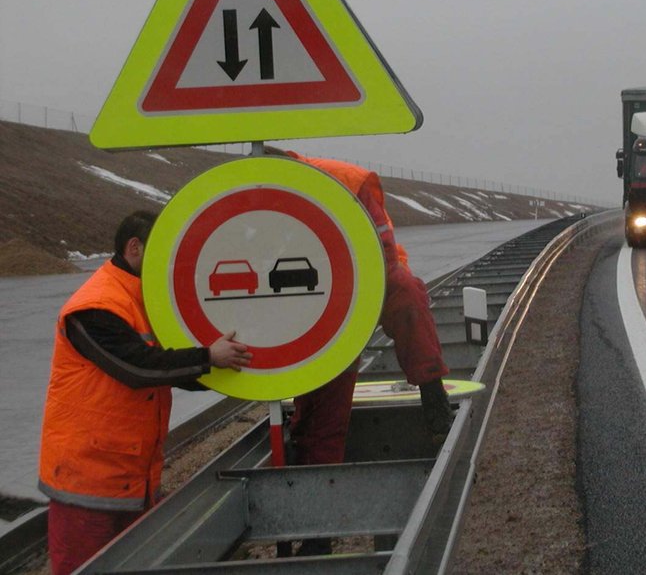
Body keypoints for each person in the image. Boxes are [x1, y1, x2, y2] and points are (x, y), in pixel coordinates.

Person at [38, 210, 253, 575]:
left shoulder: (140, 298)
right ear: (135, 247)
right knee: (82, 567)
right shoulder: (95, 306)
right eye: (163, 250)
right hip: (88, 480)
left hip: (130, 475)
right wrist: (208, 357)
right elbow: (137, 368)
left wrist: (234, 374)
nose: (169, 262)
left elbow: (164, 366)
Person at [268, 150, 454, 466]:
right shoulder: (256, 200)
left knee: (408, 296)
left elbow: (384, 255)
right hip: (317, 293)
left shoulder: (346, 180)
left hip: (374, 274)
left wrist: (349, 312)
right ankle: (315, 464)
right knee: (326, 393)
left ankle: (432, 390)